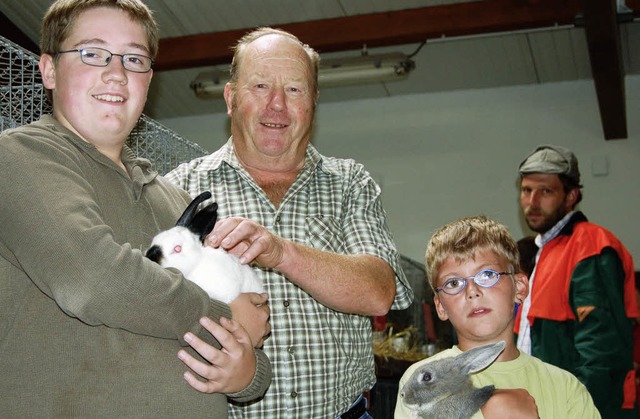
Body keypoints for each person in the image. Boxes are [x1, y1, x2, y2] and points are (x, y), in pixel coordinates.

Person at [0, 0, 271, 417]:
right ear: (49, 70)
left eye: (134, 58)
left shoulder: (176, 202)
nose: (116, 72)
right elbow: (93, 279)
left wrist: (248, 374)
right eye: (92, 53)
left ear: (148, 80)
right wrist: (223, 315)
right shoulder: (19, 157)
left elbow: (251, 327)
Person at [165, 27, 414, 418]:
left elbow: (379, 292)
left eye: (295, 90)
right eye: (260, 86)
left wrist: (280, 252)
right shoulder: (180, 189)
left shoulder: (349, 182)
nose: (276, 105)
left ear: (314, 102)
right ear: (231, 98)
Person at [394, 215, 600, 418]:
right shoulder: (420, 382)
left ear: (519, 288)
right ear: (440, 307)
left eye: (487, 275)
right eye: (454, 283)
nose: (472, 291)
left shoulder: (566, 388)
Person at [515, 144, 637, 418]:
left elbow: (601, 352)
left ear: (571, 196)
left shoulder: (591, 247)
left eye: (545, 191)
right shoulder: (544, 251)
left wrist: (573, 410)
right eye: (526, 191)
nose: (532, 202)